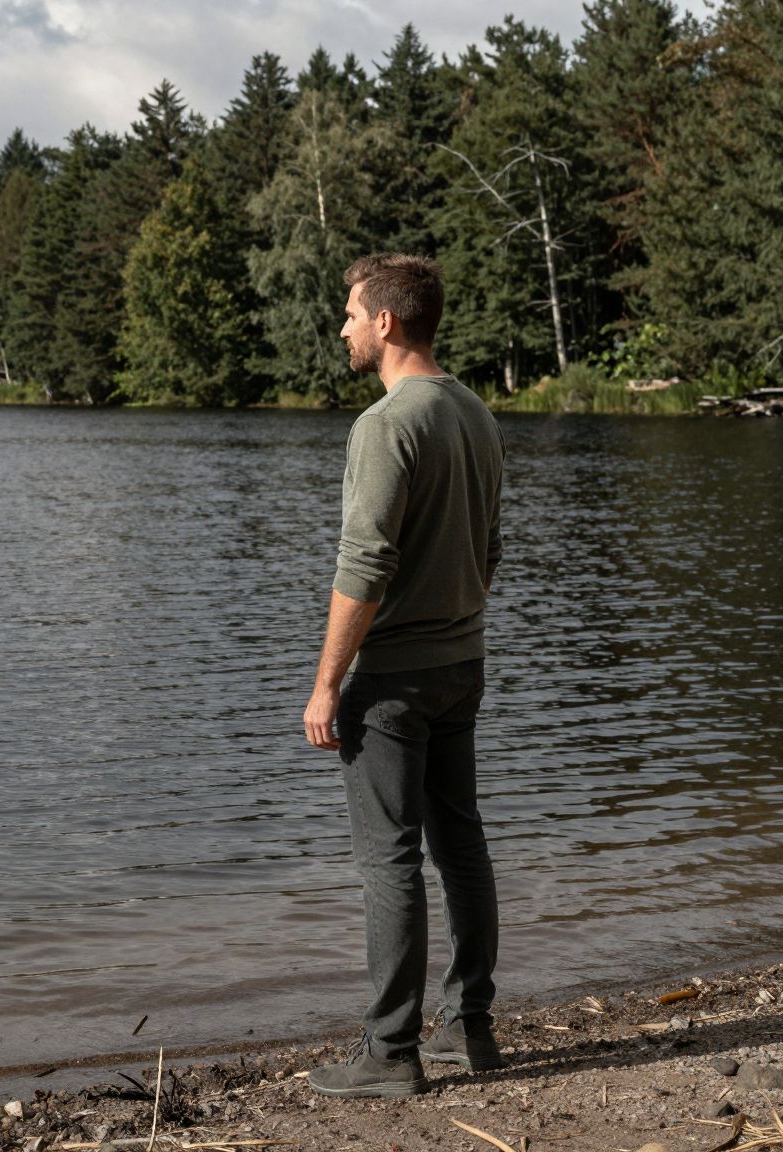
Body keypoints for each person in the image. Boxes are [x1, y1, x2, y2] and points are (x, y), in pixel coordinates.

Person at [299, 253, 505, 1099]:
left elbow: (364, 567)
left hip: (393, 682)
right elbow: (489, 550)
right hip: (462, 664)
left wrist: (326, 685)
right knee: (460, 843)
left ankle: (389, 1052)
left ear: (385, 321)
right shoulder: (474, 411)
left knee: (388, 861)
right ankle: (470, 1028)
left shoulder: (386, 424)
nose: (344, 328)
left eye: (352, 314)